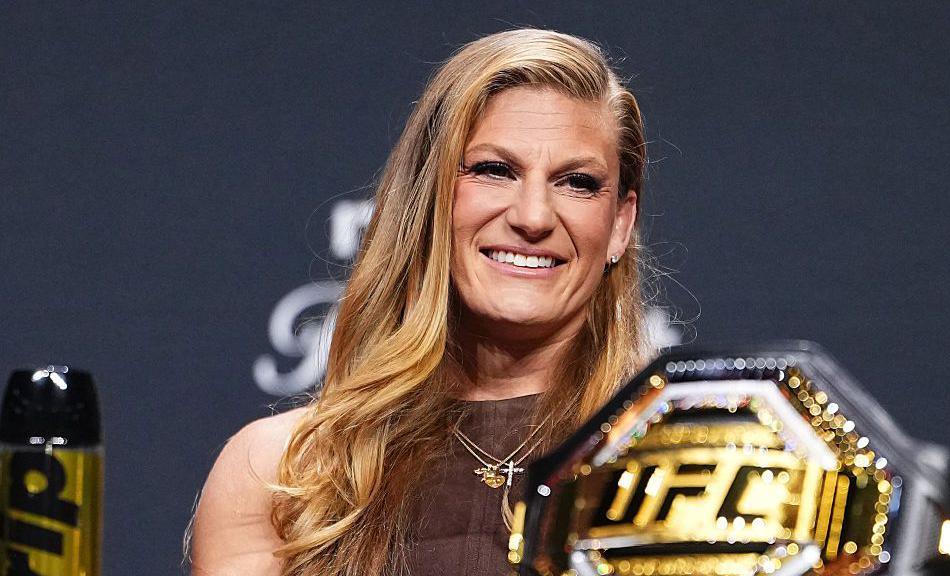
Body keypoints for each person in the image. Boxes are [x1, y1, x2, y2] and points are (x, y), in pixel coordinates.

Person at [190, 28, 652, 576]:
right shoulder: (282, 478)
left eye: (577, 182)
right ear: (427, 197)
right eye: (493, 171)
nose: (533, 217)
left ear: (619, 222)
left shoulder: (675, 463)